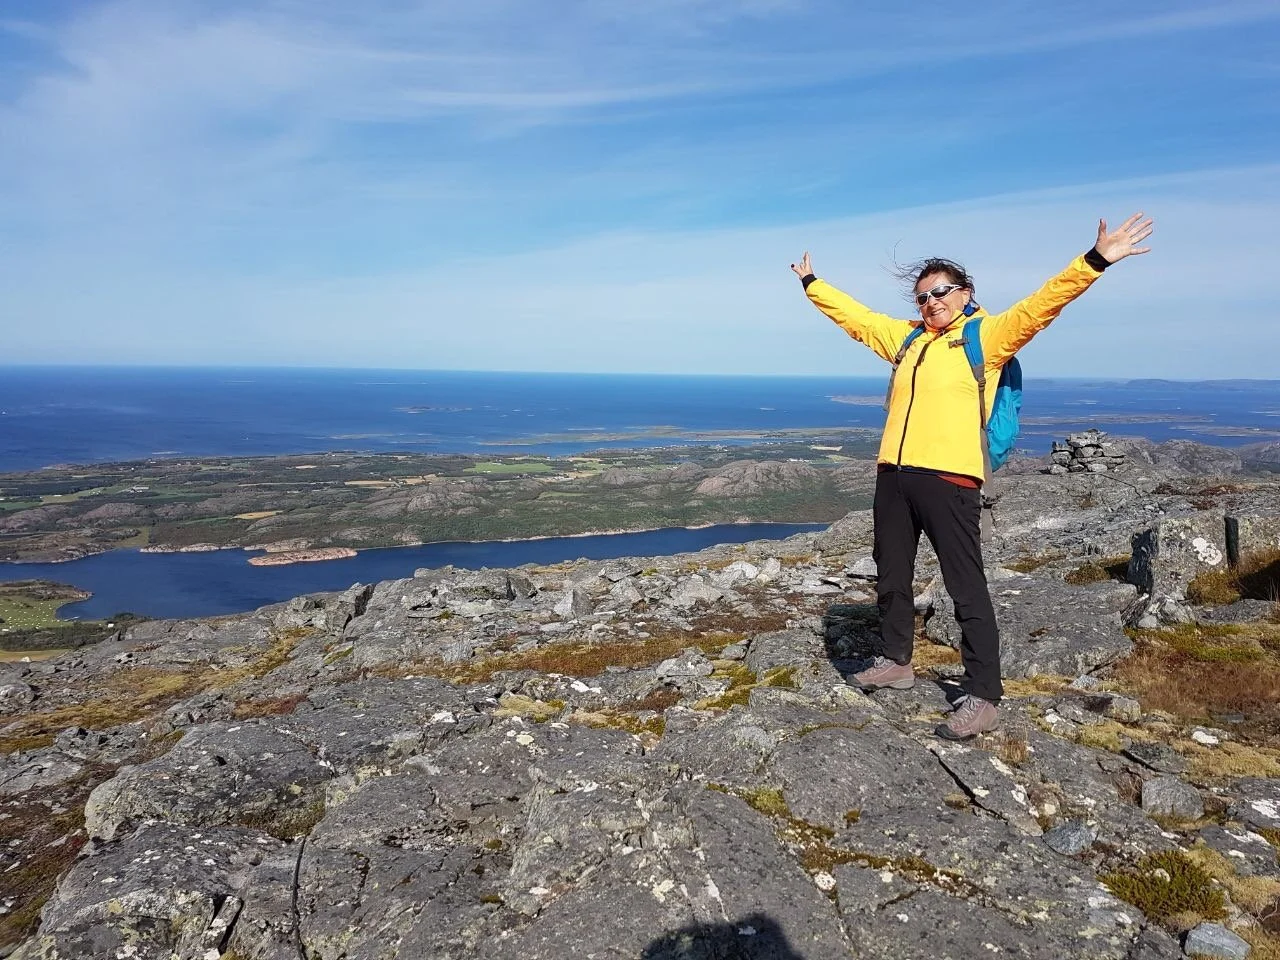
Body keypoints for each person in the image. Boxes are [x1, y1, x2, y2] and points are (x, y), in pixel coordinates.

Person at [791, 213, 1154, 739]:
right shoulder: (907, 340)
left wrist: (1095, 260)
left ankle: (983, 694)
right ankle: (896, 661)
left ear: (965, 293)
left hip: (951, 479)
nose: (931, 301)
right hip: (894, 474)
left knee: (965, 586)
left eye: (941, 291)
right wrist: (812, 285)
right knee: (891, 575)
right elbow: (858, 319)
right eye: (922, 296)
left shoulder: (987, 337)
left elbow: (1043, 305)